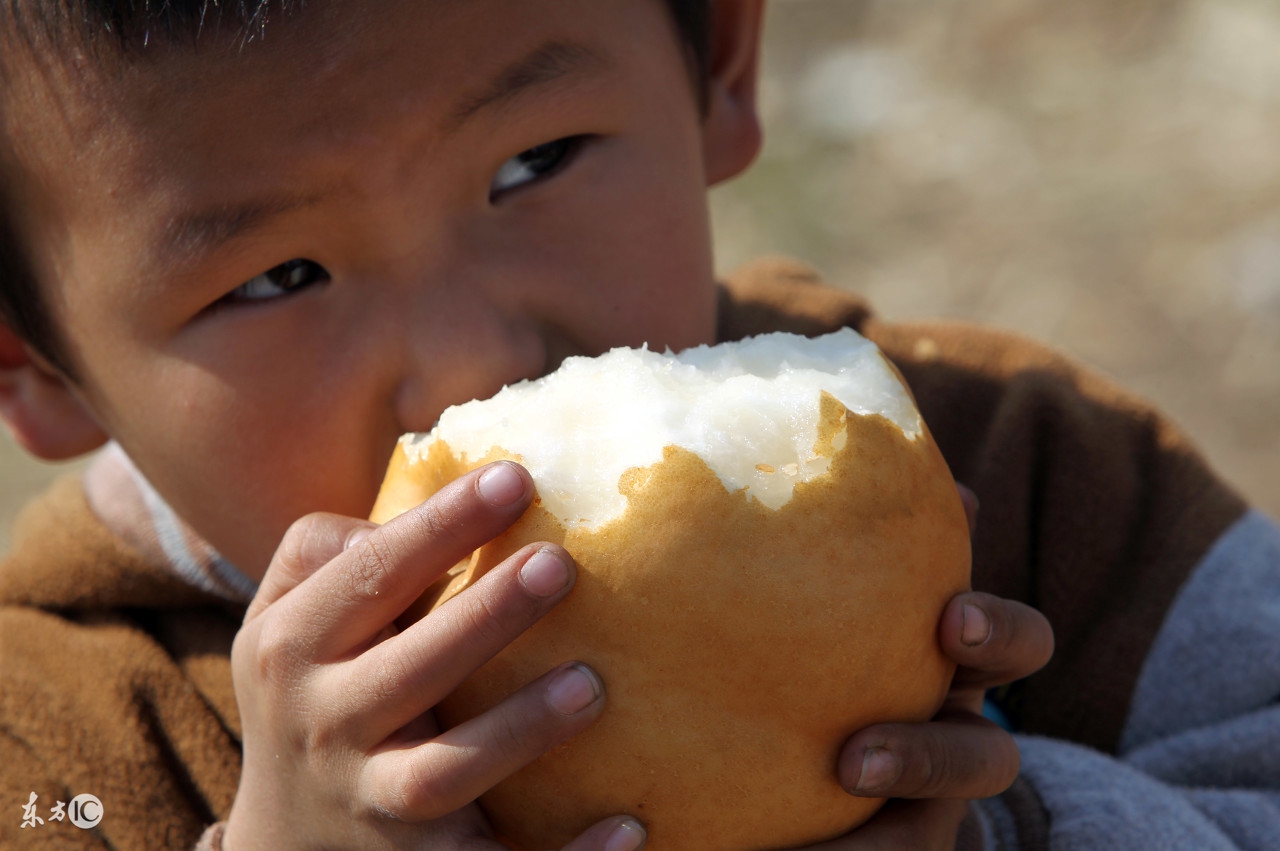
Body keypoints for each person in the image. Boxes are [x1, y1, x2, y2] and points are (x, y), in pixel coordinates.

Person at [0, 1, 1272, 849]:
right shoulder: (55, 747)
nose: (480, 358)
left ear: (715, 59)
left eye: (532, 164)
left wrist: (1006, 825)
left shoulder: (1033, 467)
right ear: (35, 368)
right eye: (275, 279)